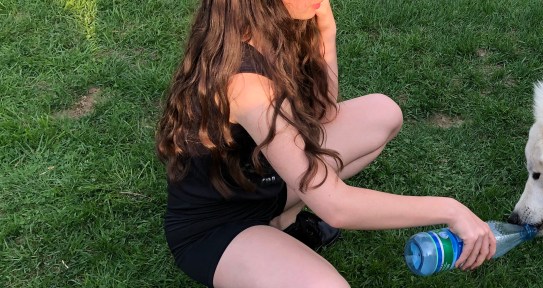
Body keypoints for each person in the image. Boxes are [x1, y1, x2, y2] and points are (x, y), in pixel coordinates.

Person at [154, 1, 496, 287]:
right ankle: (264, 242)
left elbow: (322, 115)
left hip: (264, 182)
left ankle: (284, 225)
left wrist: (326, 33)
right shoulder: (246, 84)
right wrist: (450, 208)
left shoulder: (272, 25)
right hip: (219, 227)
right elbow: (337, 207)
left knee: (383, 112)